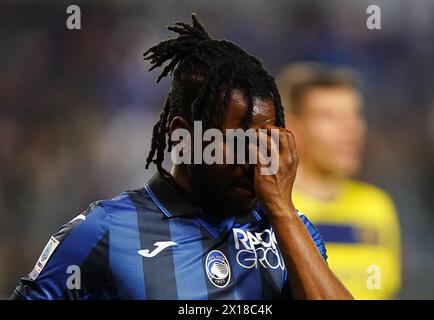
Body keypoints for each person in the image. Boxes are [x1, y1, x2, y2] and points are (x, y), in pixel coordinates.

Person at [11, 15, 352, 300]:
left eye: (266, 144)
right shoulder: (105, 231)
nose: (256, 162)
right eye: (240, 142)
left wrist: (282, 211)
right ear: (182, 137)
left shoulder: (288, 231)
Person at [277, 63, 401, 299]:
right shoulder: (273, 209)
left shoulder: (376, 206)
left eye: (355, 114)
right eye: (329, 116)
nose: (350, 129)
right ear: (292, 128)